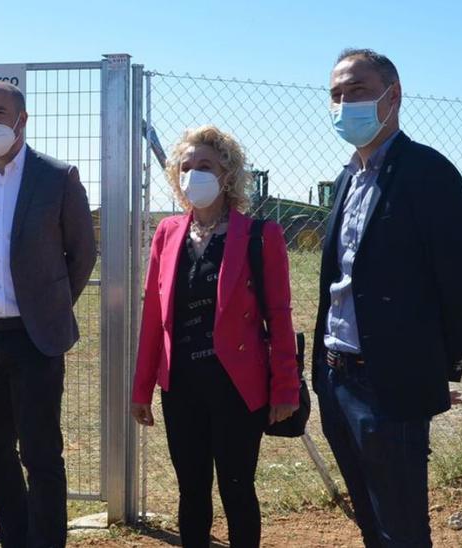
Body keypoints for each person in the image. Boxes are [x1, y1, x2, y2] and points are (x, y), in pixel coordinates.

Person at [312, 49, 462, 546]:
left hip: (389, 386)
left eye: (358, 91)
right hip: (336, 376)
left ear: (394, 96)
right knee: (368, 517)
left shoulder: (428, 173)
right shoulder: (347, 178)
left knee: (402, 526)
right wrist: (322, 373)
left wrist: (437, 369)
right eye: (337, 95)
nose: (345, 103)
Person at [0, 82, 96, 548]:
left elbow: (82, 253)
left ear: (22, 119)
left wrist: (47, 306)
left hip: (34, 339)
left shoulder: (57, 177)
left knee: (42, 452)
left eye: (0, 112)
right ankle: (13, 536)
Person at [130, 126, 300, 548]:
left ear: (227, 172)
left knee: (237, 489)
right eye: (186, 167)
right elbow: (154, 316)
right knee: (191, 492)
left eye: (204, 165)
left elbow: (279, 317)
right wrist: (141, 389)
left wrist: (286, 388)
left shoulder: (262, 236)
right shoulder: (167, 233)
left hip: (237, 387)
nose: (193, 175)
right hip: (181, 384)